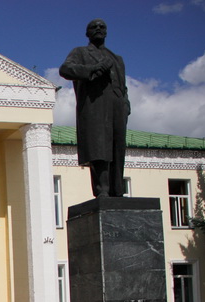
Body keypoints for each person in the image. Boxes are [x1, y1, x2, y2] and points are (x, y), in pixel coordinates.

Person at [60, 19, 130, 198]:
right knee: (99, 147)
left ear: (106, 32)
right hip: (95, 105)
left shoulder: (117, 59)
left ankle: (117, 190)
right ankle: (102, 190)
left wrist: (125, 104)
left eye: (102, 27)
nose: (98, 29)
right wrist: (93, 69)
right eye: (94, 27)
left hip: (117, 106)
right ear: (87, 33)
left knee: (117, 147)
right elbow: (65, 69)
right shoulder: (80, 52)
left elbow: (122, 85)